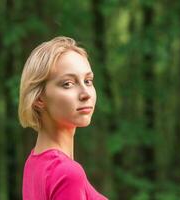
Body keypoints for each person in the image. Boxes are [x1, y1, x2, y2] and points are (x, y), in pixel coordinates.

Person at [19, 36, 108, 199]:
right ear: (39, 98)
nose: (86, 94)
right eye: (68, 83)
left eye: (88, 81)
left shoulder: (34, 163)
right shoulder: (67, 174)